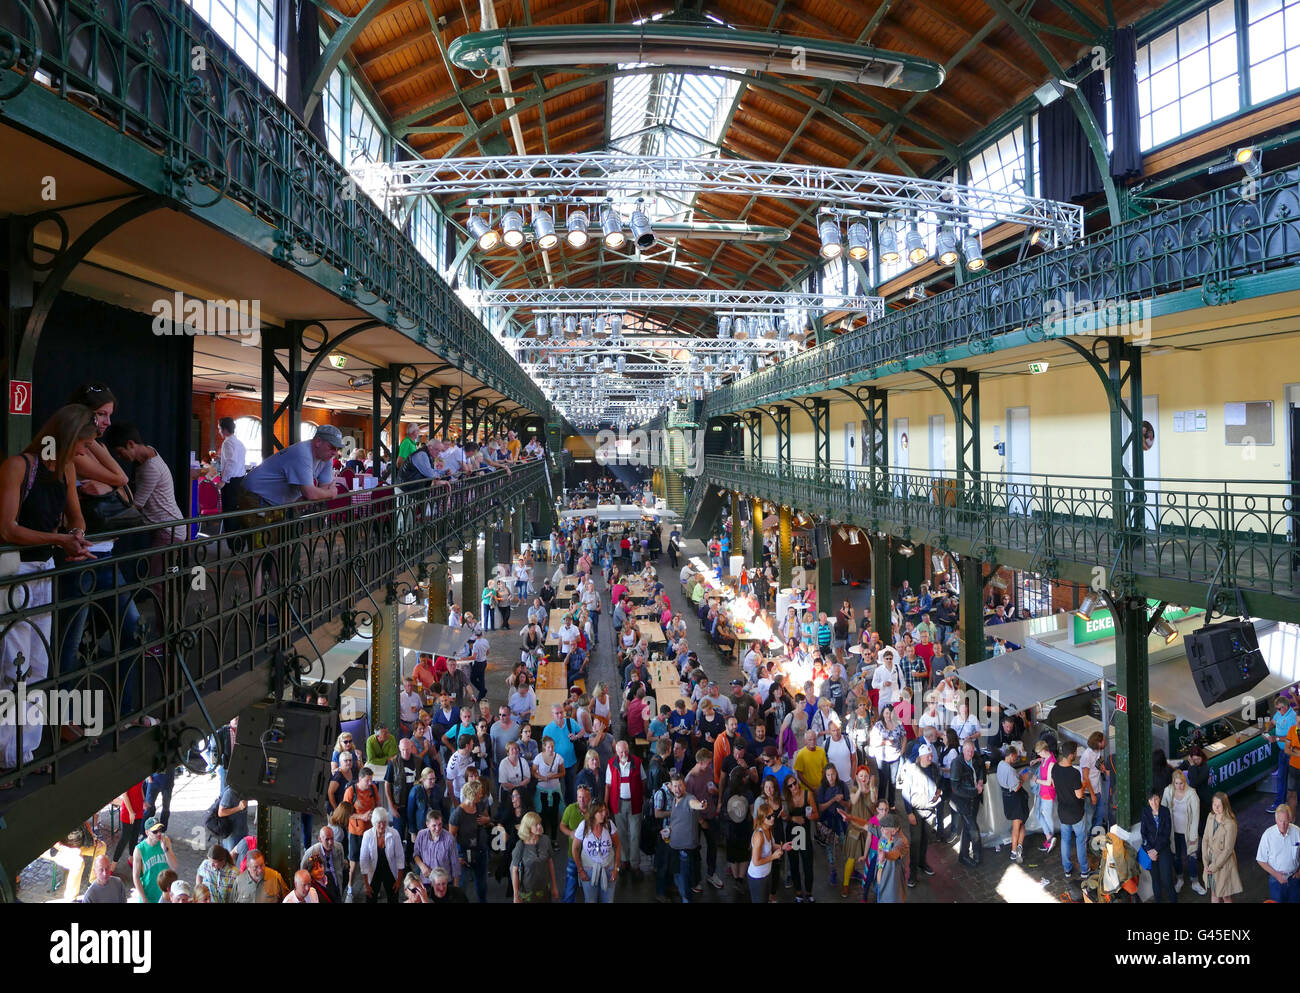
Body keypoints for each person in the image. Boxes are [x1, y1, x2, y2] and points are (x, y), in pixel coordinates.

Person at [1162, 768, 1204, 895]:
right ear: (1173, 783)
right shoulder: (1168, 791)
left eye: (1181, 783)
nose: (1179, 786)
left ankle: (1195, 882)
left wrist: (1193, 836)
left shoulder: (1192, 794)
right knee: (1176, 857)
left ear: (1185, 782)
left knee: (1191, 856)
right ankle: (1179, 879)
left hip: (1188, 831)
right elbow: (1163, 811)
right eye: (1176, 783)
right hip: (1173, 832)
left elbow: (1196, 817)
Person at [1052, 741, 1088, 881]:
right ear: (1072, 754)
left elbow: (1055, 786)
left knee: (1065, 840)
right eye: (1076, 752)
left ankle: (1067, 869)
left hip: (1062, 811)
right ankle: (1084, 870)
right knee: (1080, 840)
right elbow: (1079, 795)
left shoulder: (1055, 768)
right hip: (1076, 813)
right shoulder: (1074, 773)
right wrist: (1084, 784)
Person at [573, 800, 620, 903]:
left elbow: (618, 846)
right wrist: (580, 870)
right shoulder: (584, 826)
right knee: (590, 900)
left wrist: (616, 868)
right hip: (589, 869)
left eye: (604, 810)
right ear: (593, 813)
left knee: (608, 900)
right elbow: (574, 849)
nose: (604, 814)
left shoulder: (609, 824)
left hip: (608, 868)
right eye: (600, 811)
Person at [1255, 802, 1300, 903]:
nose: (1283, 825)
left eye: (1285, 821)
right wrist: (1276, 875)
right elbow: (1260, 860)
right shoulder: (1268, 835)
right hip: (1276, 881)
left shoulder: (1297, 832)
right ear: (1275, 820)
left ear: (1290, 820)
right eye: (1280, 821)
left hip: (1295, 879)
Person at [1201, 792, 1241, 903]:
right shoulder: (1210, 817)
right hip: (1210, 862)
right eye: (1214, 804)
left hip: (1224, 865)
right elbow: (1205, 840)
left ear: (1225, 805)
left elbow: (1228, 850)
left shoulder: (1230, 823)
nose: (1216, 808)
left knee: (1225, 896)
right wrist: (1205, 863)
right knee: (1214, 893)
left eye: (1219, 805)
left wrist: (1214, 866)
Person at [510, 810, 559, 902]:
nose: (539, 826)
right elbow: (514, 871)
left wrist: (554, 886)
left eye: (539, 823)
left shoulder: (546, 840)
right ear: (528, 827)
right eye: (536, 824)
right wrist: (516, 895)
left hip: (544, 890)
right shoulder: (520, 846)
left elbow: (550, 864)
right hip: (527, 893)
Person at [950, 739, 985, 867]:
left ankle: (963, 855)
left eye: (972, 751)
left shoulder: (975, 757)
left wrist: (980, 780)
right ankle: (977, 856)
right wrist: (975, 791)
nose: (970, 753)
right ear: (962, 750)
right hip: (963, 802)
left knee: (967, 827)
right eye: (968, 751)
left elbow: (981, 768)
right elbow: (956, 788)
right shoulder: (957, 764)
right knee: (973, 829)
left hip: (973, 800)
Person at [747, 801, 787, 904]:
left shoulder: (768, 829)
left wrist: (784, 846)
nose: (772, 818)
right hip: (758, 876)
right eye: (769, 817)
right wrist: (773, 857)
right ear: (762, 819)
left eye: (772, 815)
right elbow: (756, 861)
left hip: (766, 873)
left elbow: (771, 846)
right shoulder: (759, 836)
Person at [1141, 789, 1176, 904]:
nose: (1154, 802)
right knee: (1155, 880)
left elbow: (1166, 834)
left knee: (1167, 879)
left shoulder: (1165, 811)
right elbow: (1143, 833)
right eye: (1151, 800)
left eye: (1156, 799)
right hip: (1150, 851)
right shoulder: (1145, 812)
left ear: (1159, 798)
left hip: (1163, 849)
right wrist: (1150, 851)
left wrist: (1156, 850)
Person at [131, 817, 177, 903]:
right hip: (148, 895)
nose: (159, 833)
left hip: (164, 894)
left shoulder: (165, 841)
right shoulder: (139, 850)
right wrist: (144, 898)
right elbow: (136, 877)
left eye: (160, 830)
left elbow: (174, 866)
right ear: (147, 832)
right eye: (155, 831)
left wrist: (165, 850)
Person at [996, 745, 1029, 863]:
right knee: (1018, 825)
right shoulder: (1010, 770)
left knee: (1020, 823)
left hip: (1007, 799)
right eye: (1015, 756)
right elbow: (1016, 788)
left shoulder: (1000, 765)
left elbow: (1010, 781)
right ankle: (1014, 852)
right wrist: (1023, 778)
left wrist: (1017, 776)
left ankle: (1019, 846)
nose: (1016, 759)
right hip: (1016, 800)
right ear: (1011, 755)